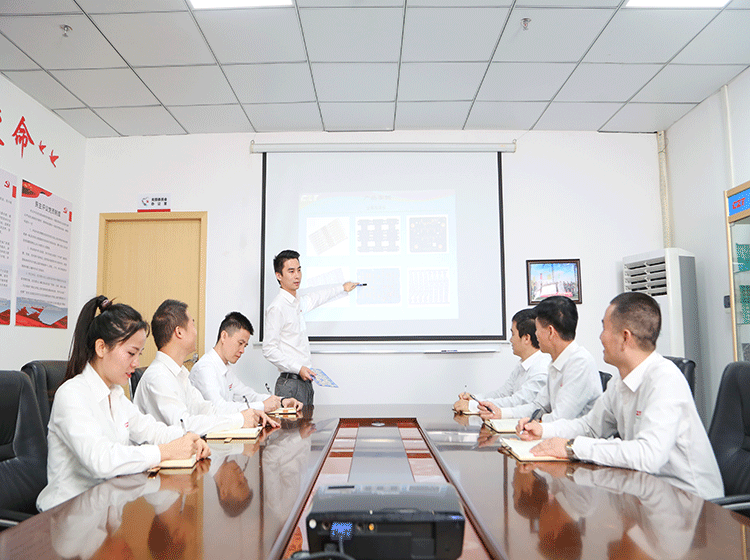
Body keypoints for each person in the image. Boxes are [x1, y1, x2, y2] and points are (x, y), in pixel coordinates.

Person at [519, 292, 724, 500]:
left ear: (625, 337)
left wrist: (571, 447)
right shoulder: (620, 381)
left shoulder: (665, 379)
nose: (600, 337)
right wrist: (543, 430)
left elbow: (648, 455)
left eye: (604, 328)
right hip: (648, 491)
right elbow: (590, 427)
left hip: (692, 503)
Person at [37, 296, 210, 512]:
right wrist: (165, 451)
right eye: (130, 353)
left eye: (139, 354)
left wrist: (188, 438)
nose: (136, 363)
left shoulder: (116, 394)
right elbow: (101, 460)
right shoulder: (72, 395)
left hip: (106, 505)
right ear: (101, 347)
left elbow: (150, 429)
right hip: (69, 514)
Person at [134, 299, 277, 435]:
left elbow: (207, 409)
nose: (196, 331)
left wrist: (249, 414)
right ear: (179, 332)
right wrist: (239, 419)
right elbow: (185, 424)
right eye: (193, 324)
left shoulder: (180, 373)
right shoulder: (158, 377)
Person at [480, 296, 601, 422]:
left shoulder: (580, 363)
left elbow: (560, 418)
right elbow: (538, 407)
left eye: (537, 330)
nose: (535, 335)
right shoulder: (555, 363)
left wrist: (536, 424)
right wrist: (501, 413)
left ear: (550, 332)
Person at [262, 249, 358, 406]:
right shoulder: (277, 307)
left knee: (308, 423)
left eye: (299, 270)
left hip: (304, 383)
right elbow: (268, 349)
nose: (297, 276)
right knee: (291, 424)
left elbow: (318, 297)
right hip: (290, 385)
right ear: (279, 275)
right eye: (291, 271)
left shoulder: (297, 302)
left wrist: (342, 288)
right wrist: (298, 368)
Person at [190, 311, 302, 414]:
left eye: (245, 346)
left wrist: (281, 401)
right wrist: (263, 406)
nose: (242, 351)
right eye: (240, 343)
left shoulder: (225, 367)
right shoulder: (205, 368)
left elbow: (249, 396)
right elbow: (218, 408)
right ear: (223, 336)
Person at [454, 308, 550, 414]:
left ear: (526, 338)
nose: (510, 340)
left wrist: (473, 406)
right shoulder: (522, 365)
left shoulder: (541, 369)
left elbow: (518, 402)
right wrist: (474, 398)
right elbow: (503, 394)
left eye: (513, 334)